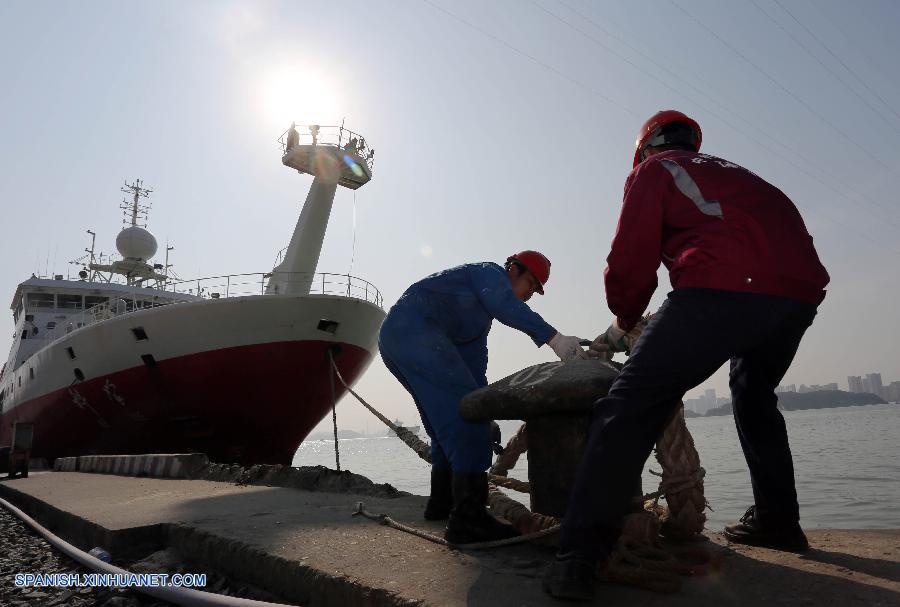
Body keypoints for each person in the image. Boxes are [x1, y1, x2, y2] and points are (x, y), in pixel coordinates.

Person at [543, 110, 830, 601]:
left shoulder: (655, 170)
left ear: (645, 147)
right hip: (797, 297)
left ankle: (580, 557)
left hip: (720, 289)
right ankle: (779, 522)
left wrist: (625, 317)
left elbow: (630, 260)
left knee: (627, 407)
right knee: (755, 396)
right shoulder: (745, 177)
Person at [379, 252, 587, 543]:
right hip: (416, 331)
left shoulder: (476, 321)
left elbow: (474, 376)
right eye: (530, 283)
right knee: (468, 425)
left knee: (451, 424)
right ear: (513, 269)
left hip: (395, 339)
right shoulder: (488, 274)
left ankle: (441, 504)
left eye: (536, 290)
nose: (530, 293)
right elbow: (505, 305)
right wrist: (556, 339)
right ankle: (468, 520)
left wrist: (484, 411)